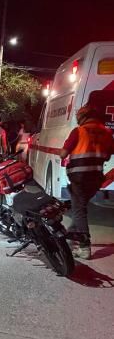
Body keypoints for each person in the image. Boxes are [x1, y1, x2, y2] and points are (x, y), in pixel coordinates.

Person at [60, 104, 114, 260]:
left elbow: (63, 154)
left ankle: (84, 247)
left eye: (78, 116)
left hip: (79, 178)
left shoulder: (79, 131)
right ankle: (69, 238)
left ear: (84, 116)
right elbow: (108, 155)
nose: (77, 119)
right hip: (96, 178)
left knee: (79, 210)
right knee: (80, 207)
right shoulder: (107, 132)